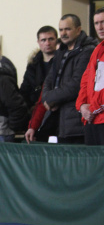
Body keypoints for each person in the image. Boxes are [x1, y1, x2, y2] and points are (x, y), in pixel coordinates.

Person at [31, 14, 97, 144]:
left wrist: (51, 98)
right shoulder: (60, 51)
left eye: (67, 29)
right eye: (61, 30)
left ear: (78, 30)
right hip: (60, 120)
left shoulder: (87, 51)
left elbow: (76, 84)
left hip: (77, 122)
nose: (63, 33)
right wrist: (47, 98)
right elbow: (48, 81)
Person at [76, 7, 104, 145]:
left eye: (103, 22)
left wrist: (92, 108)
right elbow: (85, 81)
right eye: (96, 23)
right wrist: (81, 106)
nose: (100, 27)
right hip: (91, 120)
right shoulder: (97, 50)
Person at [20, 26, 57, 111]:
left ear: (56, 40)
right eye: (43, 40)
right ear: (38, 42)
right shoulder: (33, 65)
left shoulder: (62, 62)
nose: (47, 43)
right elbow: (25, 89)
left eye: (51, 39)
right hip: (34, 108)